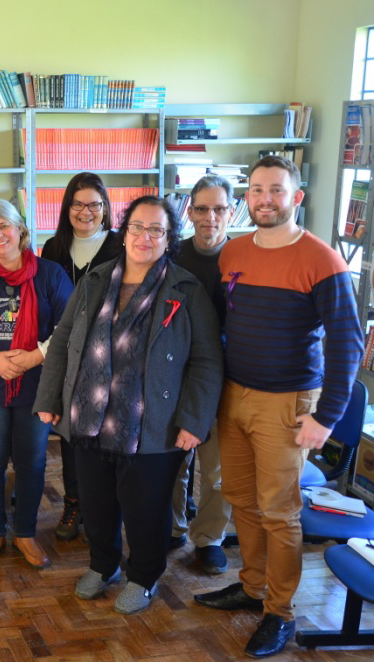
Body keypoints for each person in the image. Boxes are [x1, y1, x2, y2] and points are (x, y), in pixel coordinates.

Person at [194, 156, 363, 658]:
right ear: (248, 197)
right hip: (233, 396)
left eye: (276, 190)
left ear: (296, 197)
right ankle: (251, 585)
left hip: (287, 404)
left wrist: (325, 417)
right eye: (257, 189)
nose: (265, 198)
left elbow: (348, 342)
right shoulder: (234, 252)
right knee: (241, 500)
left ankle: (281, 612)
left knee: (279, 512)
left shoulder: (321, 259)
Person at [34, 195, 222, 615]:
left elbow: (208, 361)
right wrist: (48, 398)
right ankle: (103, 565)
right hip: (90, 414)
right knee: (96, 502)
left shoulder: (186, 289)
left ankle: (144, 575)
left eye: (156, 229)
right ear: (124, 231)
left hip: (155, 421)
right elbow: (63, 342)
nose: (145, 237)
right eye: (138, 227)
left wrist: (194, 420)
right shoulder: (95, 280)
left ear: (169, 238)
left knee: (146, 508)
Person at [0, 200, 71, 568]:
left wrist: (34, 356)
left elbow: (69, 329)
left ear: (20, 229)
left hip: (37, 384)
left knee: (32, 461)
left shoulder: (50, 275)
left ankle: (25, 533)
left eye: (5, 226)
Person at [40, 172, 122, 541]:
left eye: (94, 204)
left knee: (108, 434)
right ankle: (74, 503)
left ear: (105, 209)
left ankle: (105, 509)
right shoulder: (53, 248)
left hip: (112, 356)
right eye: (78, 204)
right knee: (72, 435)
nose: (86, 212)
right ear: (67, 208)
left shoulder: (122, 246)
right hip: (68, 355)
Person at [168, 174, 235, 575]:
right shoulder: (172, 255)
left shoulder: (244, 256)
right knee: (173, 460)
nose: (211, 217)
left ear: (230, 211)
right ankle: (173, 528)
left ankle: (209, 537)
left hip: (226, 379)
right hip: (176, 375)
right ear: (189, 211)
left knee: (216, 471)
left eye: (219, 209)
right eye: (202, 208)